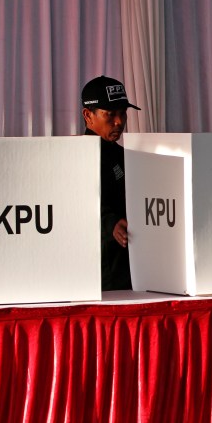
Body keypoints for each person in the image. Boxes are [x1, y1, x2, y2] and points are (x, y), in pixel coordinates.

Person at [81, 75, 140, 291]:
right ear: (88, 115)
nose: (119, 121)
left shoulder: (123, 154)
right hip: (97, 276)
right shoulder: (73, 157)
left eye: (123, 113)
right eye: (111, 114)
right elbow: (73, 204)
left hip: (131, 269)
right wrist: (110, 222)